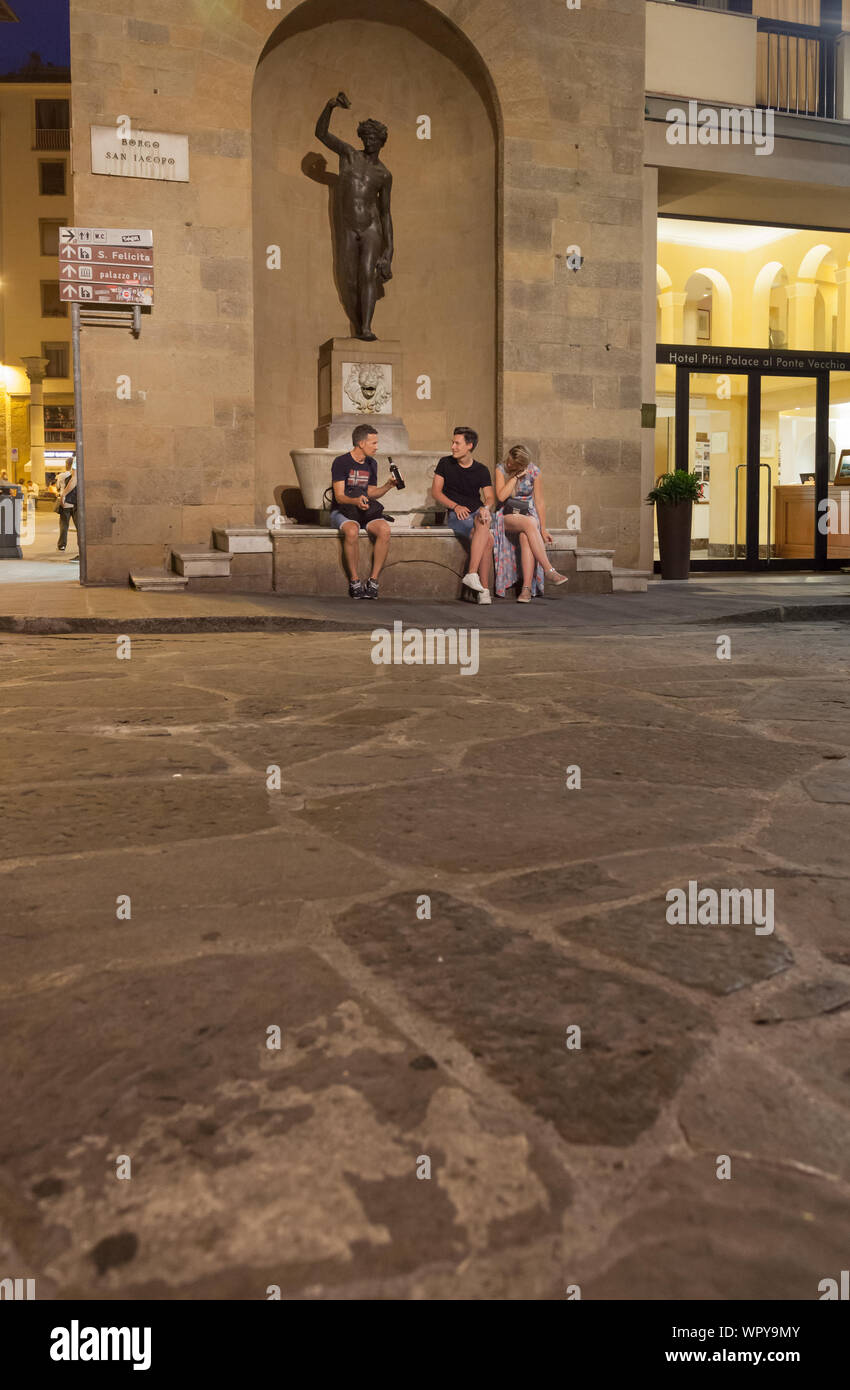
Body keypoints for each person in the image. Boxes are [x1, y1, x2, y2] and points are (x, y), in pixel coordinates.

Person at [315, 92, 393, 342]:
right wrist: (330, 107)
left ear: (382, 142)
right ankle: (358, 324)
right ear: (362, 138)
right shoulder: (349, 155)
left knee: (367, 275)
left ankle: (366, 328)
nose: (370, 141)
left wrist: (389, 250)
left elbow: (385, 212)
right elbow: (322, 134)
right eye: (367, 137)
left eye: (375, 138)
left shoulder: (384, 174)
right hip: (348, 226)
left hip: (372, 228)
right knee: (349, 278)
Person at [492, 444, 569, 601]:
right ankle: (549, 569)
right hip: (506, 515)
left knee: (526, 536)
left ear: (523, 465)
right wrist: (514, 477)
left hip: (527, 514)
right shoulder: (501, 469)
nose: (509, 465)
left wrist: (544, 529)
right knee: (530, 523)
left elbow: (539, 501)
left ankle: (525, 590)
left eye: (514, 465)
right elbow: (501, 496)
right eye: (510, 461)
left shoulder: (534, 471)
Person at [331, 424, 398, 598]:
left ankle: (373, 581)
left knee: (385, 530)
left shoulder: (371, 463)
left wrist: (389, 485)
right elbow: (339, 496)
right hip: (343, 511)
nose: (377, 447)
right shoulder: (341, 462)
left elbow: (371, 493)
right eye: (374, 443)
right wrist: (355, 500)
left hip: (364, 511)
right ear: (361, 443)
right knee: (352, 531)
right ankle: (354, 581)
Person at [432, 427, 495, 604]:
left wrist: (486, 507)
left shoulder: (482, 469)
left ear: (469, 445)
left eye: (457, 443)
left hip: (477, 513)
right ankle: (484, 589)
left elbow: (490, 497)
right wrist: (455, 506)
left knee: (484, 522)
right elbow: (436, 492)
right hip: (456, 514)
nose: (453, 446)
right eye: (452, 442)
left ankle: (473, 575)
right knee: (488, 539)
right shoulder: (445, 463)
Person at [56, 459, 77, 552]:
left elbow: (58, 487)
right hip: (75, 501)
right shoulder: (74, 474)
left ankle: (62, 545)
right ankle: (80, 548)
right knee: (78, 526)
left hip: (65, 502)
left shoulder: (61, 475)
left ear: (66, 464)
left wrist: (63, 495)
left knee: (64, 524)